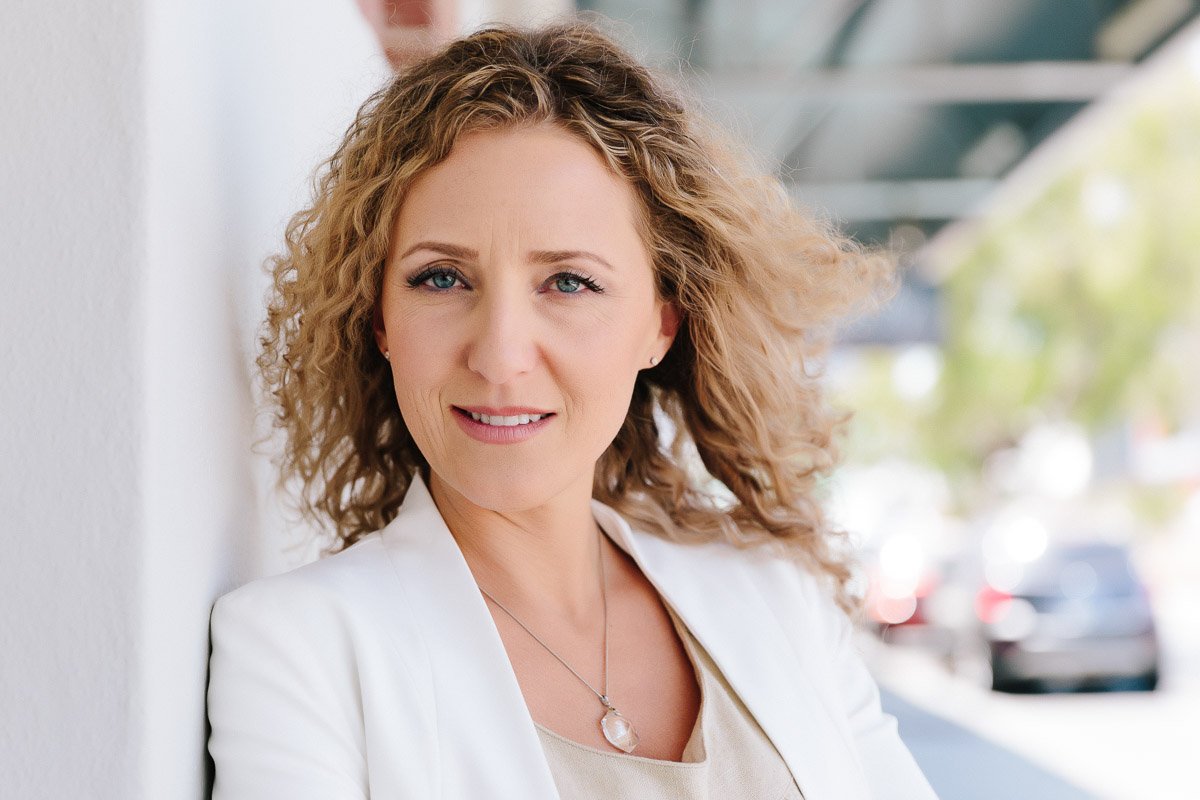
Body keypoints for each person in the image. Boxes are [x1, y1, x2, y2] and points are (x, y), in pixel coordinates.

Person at [207, 19, 939, 800]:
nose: (498, 355)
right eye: (442, 279)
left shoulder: (779, 602)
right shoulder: (300, 653)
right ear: (379, 316)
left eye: (568, 282)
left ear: (663, 321)